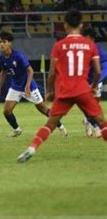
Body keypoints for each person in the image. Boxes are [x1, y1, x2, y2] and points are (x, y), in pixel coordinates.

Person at [17, 9, 107, 163]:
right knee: (101, 122)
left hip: (64, 91)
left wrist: (50, 91)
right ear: (81, 25)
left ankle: (31, 148)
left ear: (65, 26)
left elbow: (52, 73)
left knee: (50, 123)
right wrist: (92, 86)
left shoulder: (59, 45)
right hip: (83, 89)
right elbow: (98, 71)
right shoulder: (90, 45)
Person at [0, 31, 68, 137]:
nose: (1, 44)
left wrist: (28, 86)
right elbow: (4, 72)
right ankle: (17, 129)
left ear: (9, 43)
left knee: (43, 109)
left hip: (30, 87)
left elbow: (30, 70)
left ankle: (61, 127)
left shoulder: (18, 56)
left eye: (4, 42)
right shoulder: (2, 57)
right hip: (16, 86)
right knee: (6, 111)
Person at [81, 27, 107, 138]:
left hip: (95, 82)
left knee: (95, 105)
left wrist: (96, 83)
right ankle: (96, 127)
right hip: (82, 83)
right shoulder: (80, 50)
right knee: (89, 106)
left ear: (92, 38)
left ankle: (87, 121)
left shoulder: (98, 49)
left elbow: (104, 67)